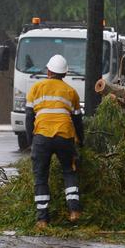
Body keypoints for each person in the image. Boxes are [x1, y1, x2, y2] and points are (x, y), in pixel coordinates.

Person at [25, 54, 84, 229]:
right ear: (64, 74)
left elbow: (29, 117)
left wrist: (31, 142)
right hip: (64, 136)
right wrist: (81, 141)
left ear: (49, 71)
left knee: (41, 177)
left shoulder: (36, 88)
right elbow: (78, 121)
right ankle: (74, 211)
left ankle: (42, 219)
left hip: (42, 137)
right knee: (69, 171)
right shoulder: (71, 92)